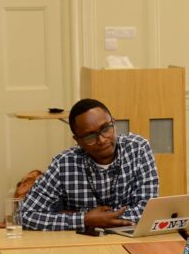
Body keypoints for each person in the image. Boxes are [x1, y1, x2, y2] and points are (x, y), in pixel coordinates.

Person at [19, 99, 160, 231]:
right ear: (77, 140)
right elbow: (25, 215)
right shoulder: (63, 164)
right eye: (90, 136)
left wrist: (92, 218)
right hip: (81, 244)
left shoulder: (138, 148)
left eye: (106, 129)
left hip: (130, 240)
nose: (102, 140)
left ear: (114, 123)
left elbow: (147, 212)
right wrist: (84, 219)